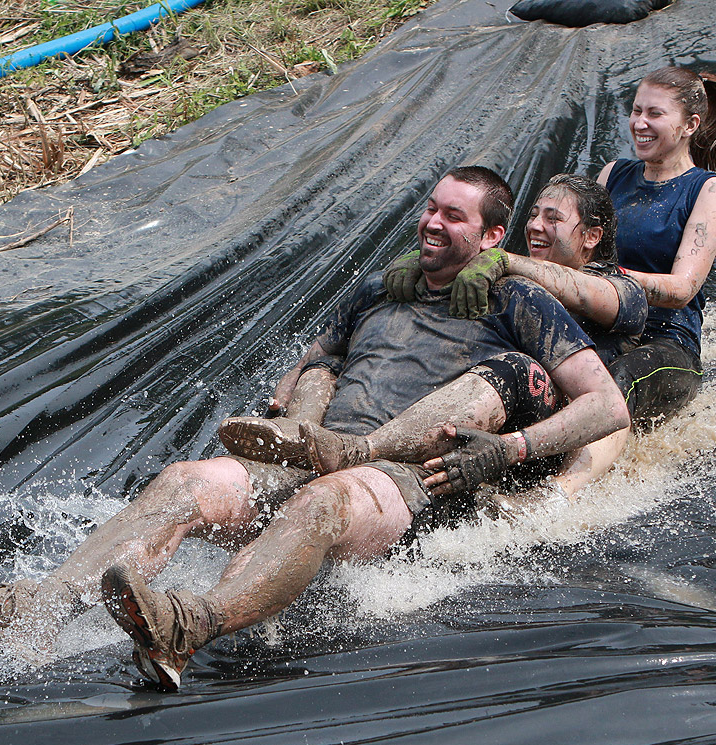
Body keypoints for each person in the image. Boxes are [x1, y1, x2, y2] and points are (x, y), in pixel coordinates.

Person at [0, 167, 629, 689]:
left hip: (403, 476)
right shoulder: (377, 289)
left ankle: (186, 628)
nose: (430, 222)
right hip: (310, 445)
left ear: (492, 235)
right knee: (185, 481)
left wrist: (514, 449)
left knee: (319, 503)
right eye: (428, 207)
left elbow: (606, 405)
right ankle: (35, 613)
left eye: (452, 215)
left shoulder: (520, 301)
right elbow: (313, 360)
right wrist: (297, 406)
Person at [223, 174, 646, 501]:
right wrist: (432, 265)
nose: (536, 226)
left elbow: (587, 306)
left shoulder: (616, 288)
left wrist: (497, 260)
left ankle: (560, 494)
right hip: (489, 409)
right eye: (533, 215)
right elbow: (327, 348)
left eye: (552, 219)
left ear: (591, 237)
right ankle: (299, 441)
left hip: (560, 409)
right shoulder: (500, 273)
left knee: (599, 382)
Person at [599, 65, 716, 426]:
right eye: (636, 110)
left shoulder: (708, 189)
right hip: (603, 325)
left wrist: (607, 277)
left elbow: (681, 290)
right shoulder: (612, 174)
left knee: (616, 379)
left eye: (655, 114)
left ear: (689, 125)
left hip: (667, 343)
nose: (640, 123)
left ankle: (569, 483)